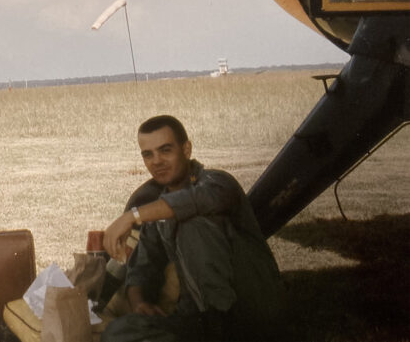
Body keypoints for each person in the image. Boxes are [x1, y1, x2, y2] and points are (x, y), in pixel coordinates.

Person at [101, 115, 284, 341]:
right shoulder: (159, 209)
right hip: (195, 319)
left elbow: (194, 202)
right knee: (117, 332)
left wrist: (132, 216)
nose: (156, 161)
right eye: (148, 154)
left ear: (186, 149)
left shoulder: (218, 182)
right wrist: (139, 303)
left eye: (165, 150)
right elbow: (142, 267)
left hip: (247, 310)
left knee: (192, 225)